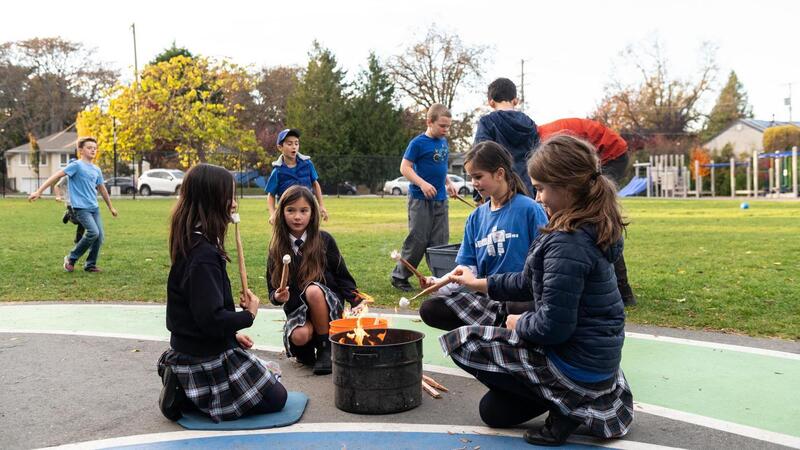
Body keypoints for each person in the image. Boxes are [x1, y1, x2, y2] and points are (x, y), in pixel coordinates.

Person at [440, 135, 634, 446]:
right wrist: (482, 285)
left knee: (464, 342)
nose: (538, 196)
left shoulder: (569, 241)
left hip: (577, 365)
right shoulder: (586, 224)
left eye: (542, 188)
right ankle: (549, 396)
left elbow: (553, 327)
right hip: (596, 360)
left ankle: (565, 406)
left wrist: (519, 324)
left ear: (568, 188)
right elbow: (528, 280)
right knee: (493, 412)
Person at [157, 164, 287, 423]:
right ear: (213, 201)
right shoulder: (203, 256)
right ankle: (190, 393)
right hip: (201, 357)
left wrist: (232, 335)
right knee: (276, 396)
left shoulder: (194, 242)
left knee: (266, 373)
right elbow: (211, 320)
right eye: (229, 197)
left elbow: (199, 314)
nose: (234, 205)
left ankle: (191, 389)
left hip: (196, 347)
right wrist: (248, 315)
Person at [419, 141, 548, 331]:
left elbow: (545, 265)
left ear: (499, 174)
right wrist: (439, 284)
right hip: (490, 299)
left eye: (478, 176)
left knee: (516, 307)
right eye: (471, 177)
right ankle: (499, 328)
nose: (474, 183)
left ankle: (502, 327)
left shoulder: (530, 209)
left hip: (523, 298)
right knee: (430, 309)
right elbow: (467, 269)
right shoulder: (475, 218)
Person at [537, 118, 636, 306]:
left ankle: (622, 291)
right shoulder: (545, 137)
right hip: (600, 155)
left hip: (612, 155)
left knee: (596, 220)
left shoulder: (551, 141)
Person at [267, 185, 362, 375]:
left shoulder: (324, 240)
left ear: (313, 213)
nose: (297, 217)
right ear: (281, 212)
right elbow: (272, 291)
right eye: (291, 210)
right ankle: (310, 346)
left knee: (313, 290)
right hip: (299, 309)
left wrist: (357, 300)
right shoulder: (276, 247)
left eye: (304, 210)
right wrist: (278, 297)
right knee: (300, 337)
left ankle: (327, 347)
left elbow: (342, 276)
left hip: (327, 305)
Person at [390, 103, 457, 292]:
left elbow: (441, 168)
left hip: (441, 200)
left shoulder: (444, 143)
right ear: (429, 122)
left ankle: (440, 281)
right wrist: (422, 183)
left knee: (440, 243)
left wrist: (449, 183)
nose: (446, 130)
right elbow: (405, 168)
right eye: (442, 126)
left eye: (448, 126)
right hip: (420, 200)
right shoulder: (418, 143)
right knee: (418, 240)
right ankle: (399, 276)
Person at [28, 137, 118, 272]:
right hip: (81, 208)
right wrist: (39, 191)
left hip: (94, 207)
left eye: (95, 148)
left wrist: (110, 207)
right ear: (80, 150)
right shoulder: (76, 165)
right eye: (89, 147)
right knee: (93, 232)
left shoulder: (96, 169)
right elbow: (56, 176)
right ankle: (71, 258)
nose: (93, 150)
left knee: (99, 237)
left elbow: (102, 189)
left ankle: (90, 265)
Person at [473, 77, 539, 200]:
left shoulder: (487, 123)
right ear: (515, 100)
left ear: (491, 102)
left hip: (497, 192)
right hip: (527, 190)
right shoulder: (530, 124)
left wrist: (478, 195)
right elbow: (538, 158)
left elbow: (479, 158)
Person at [265, 128, 328, 225]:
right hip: (287, 215)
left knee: (310, 238)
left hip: (307, 212)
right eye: (289, 144)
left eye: (296, 143)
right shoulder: (278, 171)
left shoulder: (307, 164)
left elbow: (315, 184)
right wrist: (272, 214)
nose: (294, 147)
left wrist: (321, 205)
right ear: (280, 147)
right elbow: (271, 195)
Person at [54, 166, 85, 244]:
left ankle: (78, 240)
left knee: (83, 221)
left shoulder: (81, 177)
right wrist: (58, 196)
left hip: (80, 202)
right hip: (70, 203)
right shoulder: (66, 177)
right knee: (76, 221)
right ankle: (68, 215)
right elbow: (57, 186)